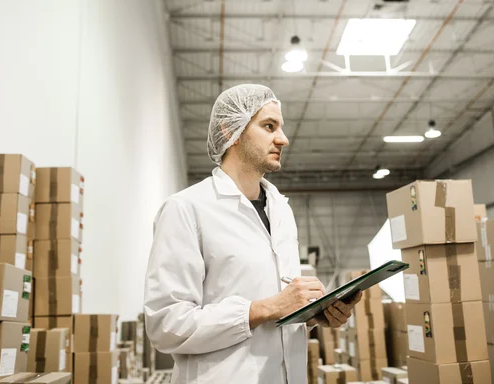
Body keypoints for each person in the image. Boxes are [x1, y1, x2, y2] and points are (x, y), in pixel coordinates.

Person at [144, 84, 363, 383]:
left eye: (281, 128)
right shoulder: (186, 209)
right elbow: (165, 325)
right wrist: (267, 307)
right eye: (269, 126)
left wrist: (313, 315)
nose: (283, 139)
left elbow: (278, 308)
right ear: (230, 130)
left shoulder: (281, 210)